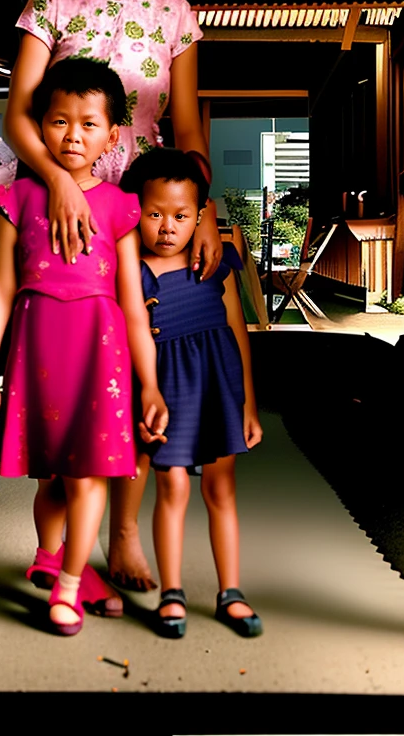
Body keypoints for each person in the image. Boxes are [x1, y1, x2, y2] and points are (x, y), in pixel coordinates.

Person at [0, 0, 222, 591]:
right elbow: (19, 114)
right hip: (61, 210)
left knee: (140, 365)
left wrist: (204, 212)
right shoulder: (48, 6)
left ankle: (122, 538)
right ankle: (62, 549)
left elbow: (186, 128)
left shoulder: (176, 14)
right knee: (70, 372)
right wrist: (55, 179)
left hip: (144, 212)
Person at [0, 59, 168, 636]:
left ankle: (69, 585)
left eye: (88, 124)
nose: (73, 136)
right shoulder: (16, 197)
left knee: (88, 477)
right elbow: (1, 290)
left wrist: (150, 382)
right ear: (39, 124)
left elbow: (133, 304)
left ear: (113, 136)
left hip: (99, 357)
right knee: (50, 478)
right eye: (59, 121)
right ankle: (50, 553)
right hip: (37, 354)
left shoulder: (120, 207)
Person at [122, 147, 263, 638]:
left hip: (217, 384)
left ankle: (231, 592)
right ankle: (172, 593)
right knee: (173, 487)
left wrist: (248, 402)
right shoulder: (130, 272)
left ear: (200, 214)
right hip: (166, 389)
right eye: (154, 214)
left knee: (220, 488)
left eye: (180, 216)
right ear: (135, 210)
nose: (166, 227)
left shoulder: (211, 263)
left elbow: (237, 330)